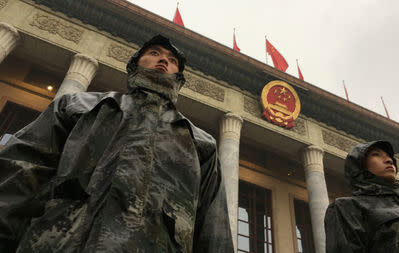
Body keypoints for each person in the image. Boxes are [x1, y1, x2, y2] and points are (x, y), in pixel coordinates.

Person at [0, 35, 233, 252]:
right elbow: (21, 172)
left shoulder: (201, 144)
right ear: (134, 65)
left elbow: (213, 231)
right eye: (154, 53)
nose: (163, 60)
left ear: (179, 79)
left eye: (172, 60)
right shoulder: (78, 106)